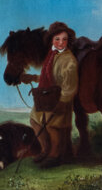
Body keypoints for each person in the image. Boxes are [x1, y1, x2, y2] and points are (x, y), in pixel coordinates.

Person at [30, 22, 80, 165]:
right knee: (34, 120)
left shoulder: (69, 60)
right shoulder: (52, 54)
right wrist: (32, 78)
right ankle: (45, 149)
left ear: (68, 41)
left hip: (61, 99)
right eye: (57, 39)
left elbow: (70, 87)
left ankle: (54, 155)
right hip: (47, 96)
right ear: (51, 39)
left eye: (64, 39)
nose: (61, 42)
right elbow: (49, 75)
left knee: (52, 125)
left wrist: (61, 103)